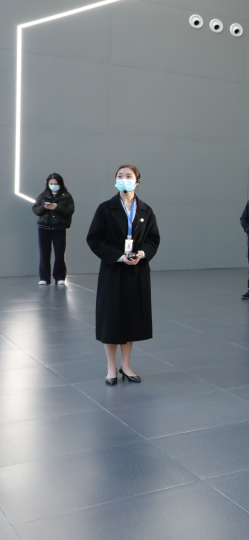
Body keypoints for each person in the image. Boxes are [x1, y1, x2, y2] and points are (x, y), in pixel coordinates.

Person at [86, 165, 160, 385]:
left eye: (128, 176)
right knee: (111, 320)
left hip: (136, 272)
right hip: (113, 270)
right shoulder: (105, 208)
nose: (124, 179)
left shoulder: (145, 210)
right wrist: (118, 256)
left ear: (137, 181)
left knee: (130, 320)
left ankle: (126, 366)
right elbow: (95, 239)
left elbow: (153, 239)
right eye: (120, 176)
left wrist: (142, 254)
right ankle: (111, 367)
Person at [33, 173, 74, 286]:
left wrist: (57, 207)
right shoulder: (42, 196)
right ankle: (44, 278)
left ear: (60, 184)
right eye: (51, 184)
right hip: (43, 227)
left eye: (56, 184)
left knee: (60, 253)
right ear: (47, 184)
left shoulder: (66, 196)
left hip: (59, 227)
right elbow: (35, 209)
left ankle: (59, 277)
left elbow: (70, 211)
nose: (53, 186)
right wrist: (44, 207)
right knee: (44, 254)